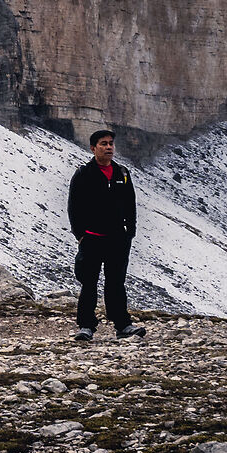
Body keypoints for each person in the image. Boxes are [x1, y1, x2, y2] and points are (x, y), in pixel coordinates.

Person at [66, 128, 143, 341]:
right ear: (93, 148)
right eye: (103, 144)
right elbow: (74, 206)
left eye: (110, 143)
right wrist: (80, 234)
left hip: (118, 239)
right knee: (89, 283)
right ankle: (86, 326)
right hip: (92, 238)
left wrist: (130, 232)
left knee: (116, 283)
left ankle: (123, 325)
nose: (108, 147)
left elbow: (130, 204)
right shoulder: (84, 174)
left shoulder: (122, 174)